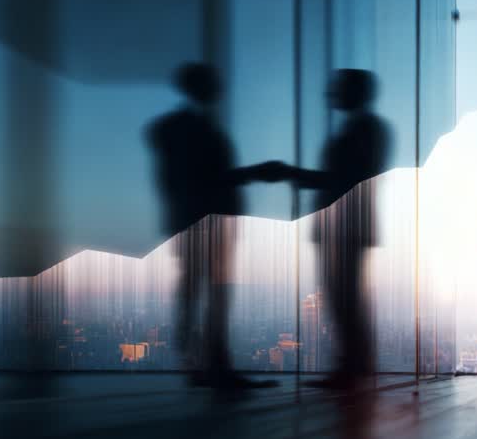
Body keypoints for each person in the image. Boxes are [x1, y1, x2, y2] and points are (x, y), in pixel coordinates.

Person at [145, 61, 281, 391]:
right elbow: (202, 178)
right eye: (214, 83)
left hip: (198, 220)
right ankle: (214, 369)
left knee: (197, 291)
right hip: (206, 221)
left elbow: (180, 179)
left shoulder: (177, 127)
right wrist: (252, 173)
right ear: (201, 87)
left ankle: (203, 366)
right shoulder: (186, 128)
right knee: (212, 293)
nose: (221, 88)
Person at [281, 69, 391, 390]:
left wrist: (295, 174)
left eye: (338, 89)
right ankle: (354, 367)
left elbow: (344, 179)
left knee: (345, 297)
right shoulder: (367, 129)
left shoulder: (364, 130)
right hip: (345, 225)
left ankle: (353, 368)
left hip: (345, 226)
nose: (331, 95)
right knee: (345, 296)